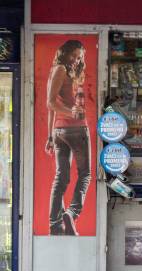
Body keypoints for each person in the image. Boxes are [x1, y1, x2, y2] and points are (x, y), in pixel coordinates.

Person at [45, 40, 91, 235]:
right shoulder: (61, 69)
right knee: (85, 174)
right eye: (73, 55)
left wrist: (49, 135)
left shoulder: (57, 71)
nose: (76, 60)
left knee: (61, 177)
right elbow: (50, 103)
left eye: (79, 57)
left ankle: (55, 224)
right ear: (64, 53)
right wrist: (72, 112)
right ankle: (71, 213)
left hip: (59, 131)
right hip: (76, 130)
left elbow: (52, 106)